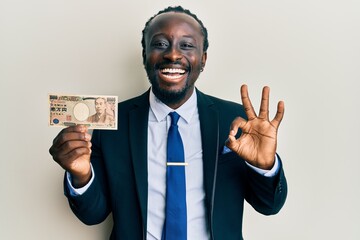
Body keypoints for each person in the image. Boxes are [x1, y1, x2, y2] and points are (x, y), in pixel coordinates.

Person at [49, 6, 287, 240]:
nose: (173, 55)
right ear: (145, 57)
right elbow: (93, 215)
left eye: (187, 45)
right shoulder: (113, 125)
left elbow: (269, 206)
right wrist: (81, 175)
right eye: (160, 44)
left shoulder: (236, 122)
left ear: (202, 60)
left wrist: (265, 166)